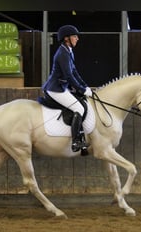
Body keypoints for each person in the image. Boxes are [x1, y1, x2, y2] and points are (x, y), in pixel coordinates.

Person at [42, 25, 92, 153]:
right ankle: (76, 141)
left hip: (62, 87)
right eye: (74, 36)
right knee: (79, 108)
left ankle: (80, 139)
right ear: (66, 38)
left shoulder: (68, 51)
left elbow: (75, 72)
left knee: (82, 104)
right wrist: (81, 90)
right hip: (55, 89)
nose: (77, 39)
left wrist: (85, 86)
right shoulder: (62, 53)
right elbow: (69, 76)